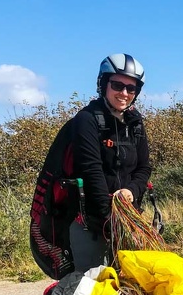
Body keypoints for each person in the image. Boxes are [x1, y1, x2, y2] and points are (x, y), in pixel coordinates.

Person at [31, 53, 151, 276]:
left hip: (126, 218)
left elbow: (144, 167)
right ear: (103, 84)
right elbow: (91, 170)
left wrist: (131, 192)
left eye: (131, 89)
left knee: (133, 283)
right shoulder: (86, 120)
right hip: (90, 222)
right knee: (92, 288)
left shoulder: (135, 123)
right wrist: (111, 221)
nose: (124, 93)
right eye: (117, 85)